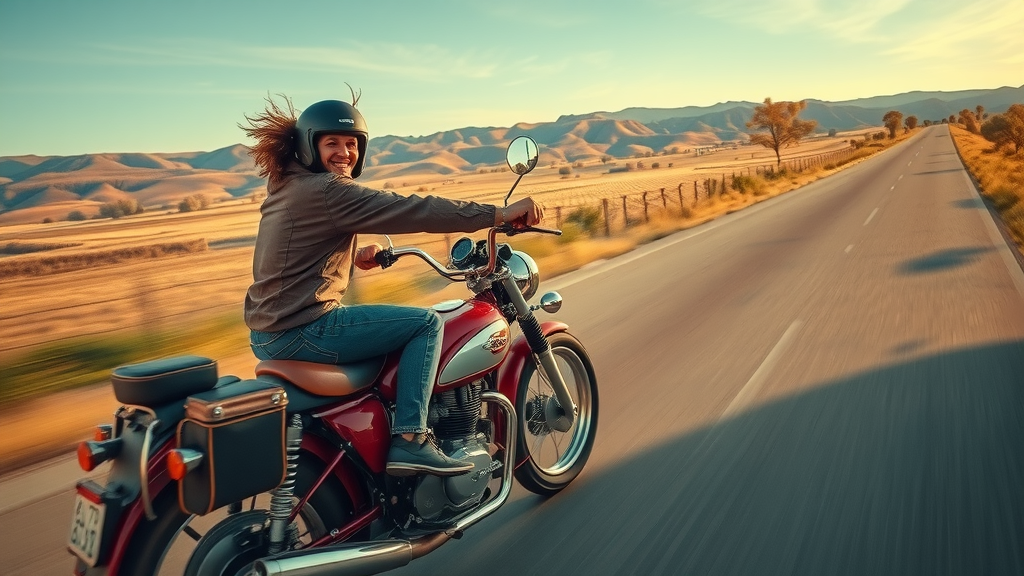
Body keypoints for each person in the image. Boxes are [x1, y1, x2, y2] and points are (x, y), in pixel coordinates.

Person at [240, 94, 543, 476]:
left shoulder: (288, 185)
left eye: (352, 144)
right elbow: (412, 208)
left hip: (270, 332)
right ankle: (411, 440)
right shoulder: (327, 191)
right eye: (331, 143)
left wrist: (349, 257)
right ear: (309, 145)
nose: (344, 152)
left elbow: (287, 251)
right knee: (427, 324)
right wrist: (497, 213)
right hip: (305, 328)